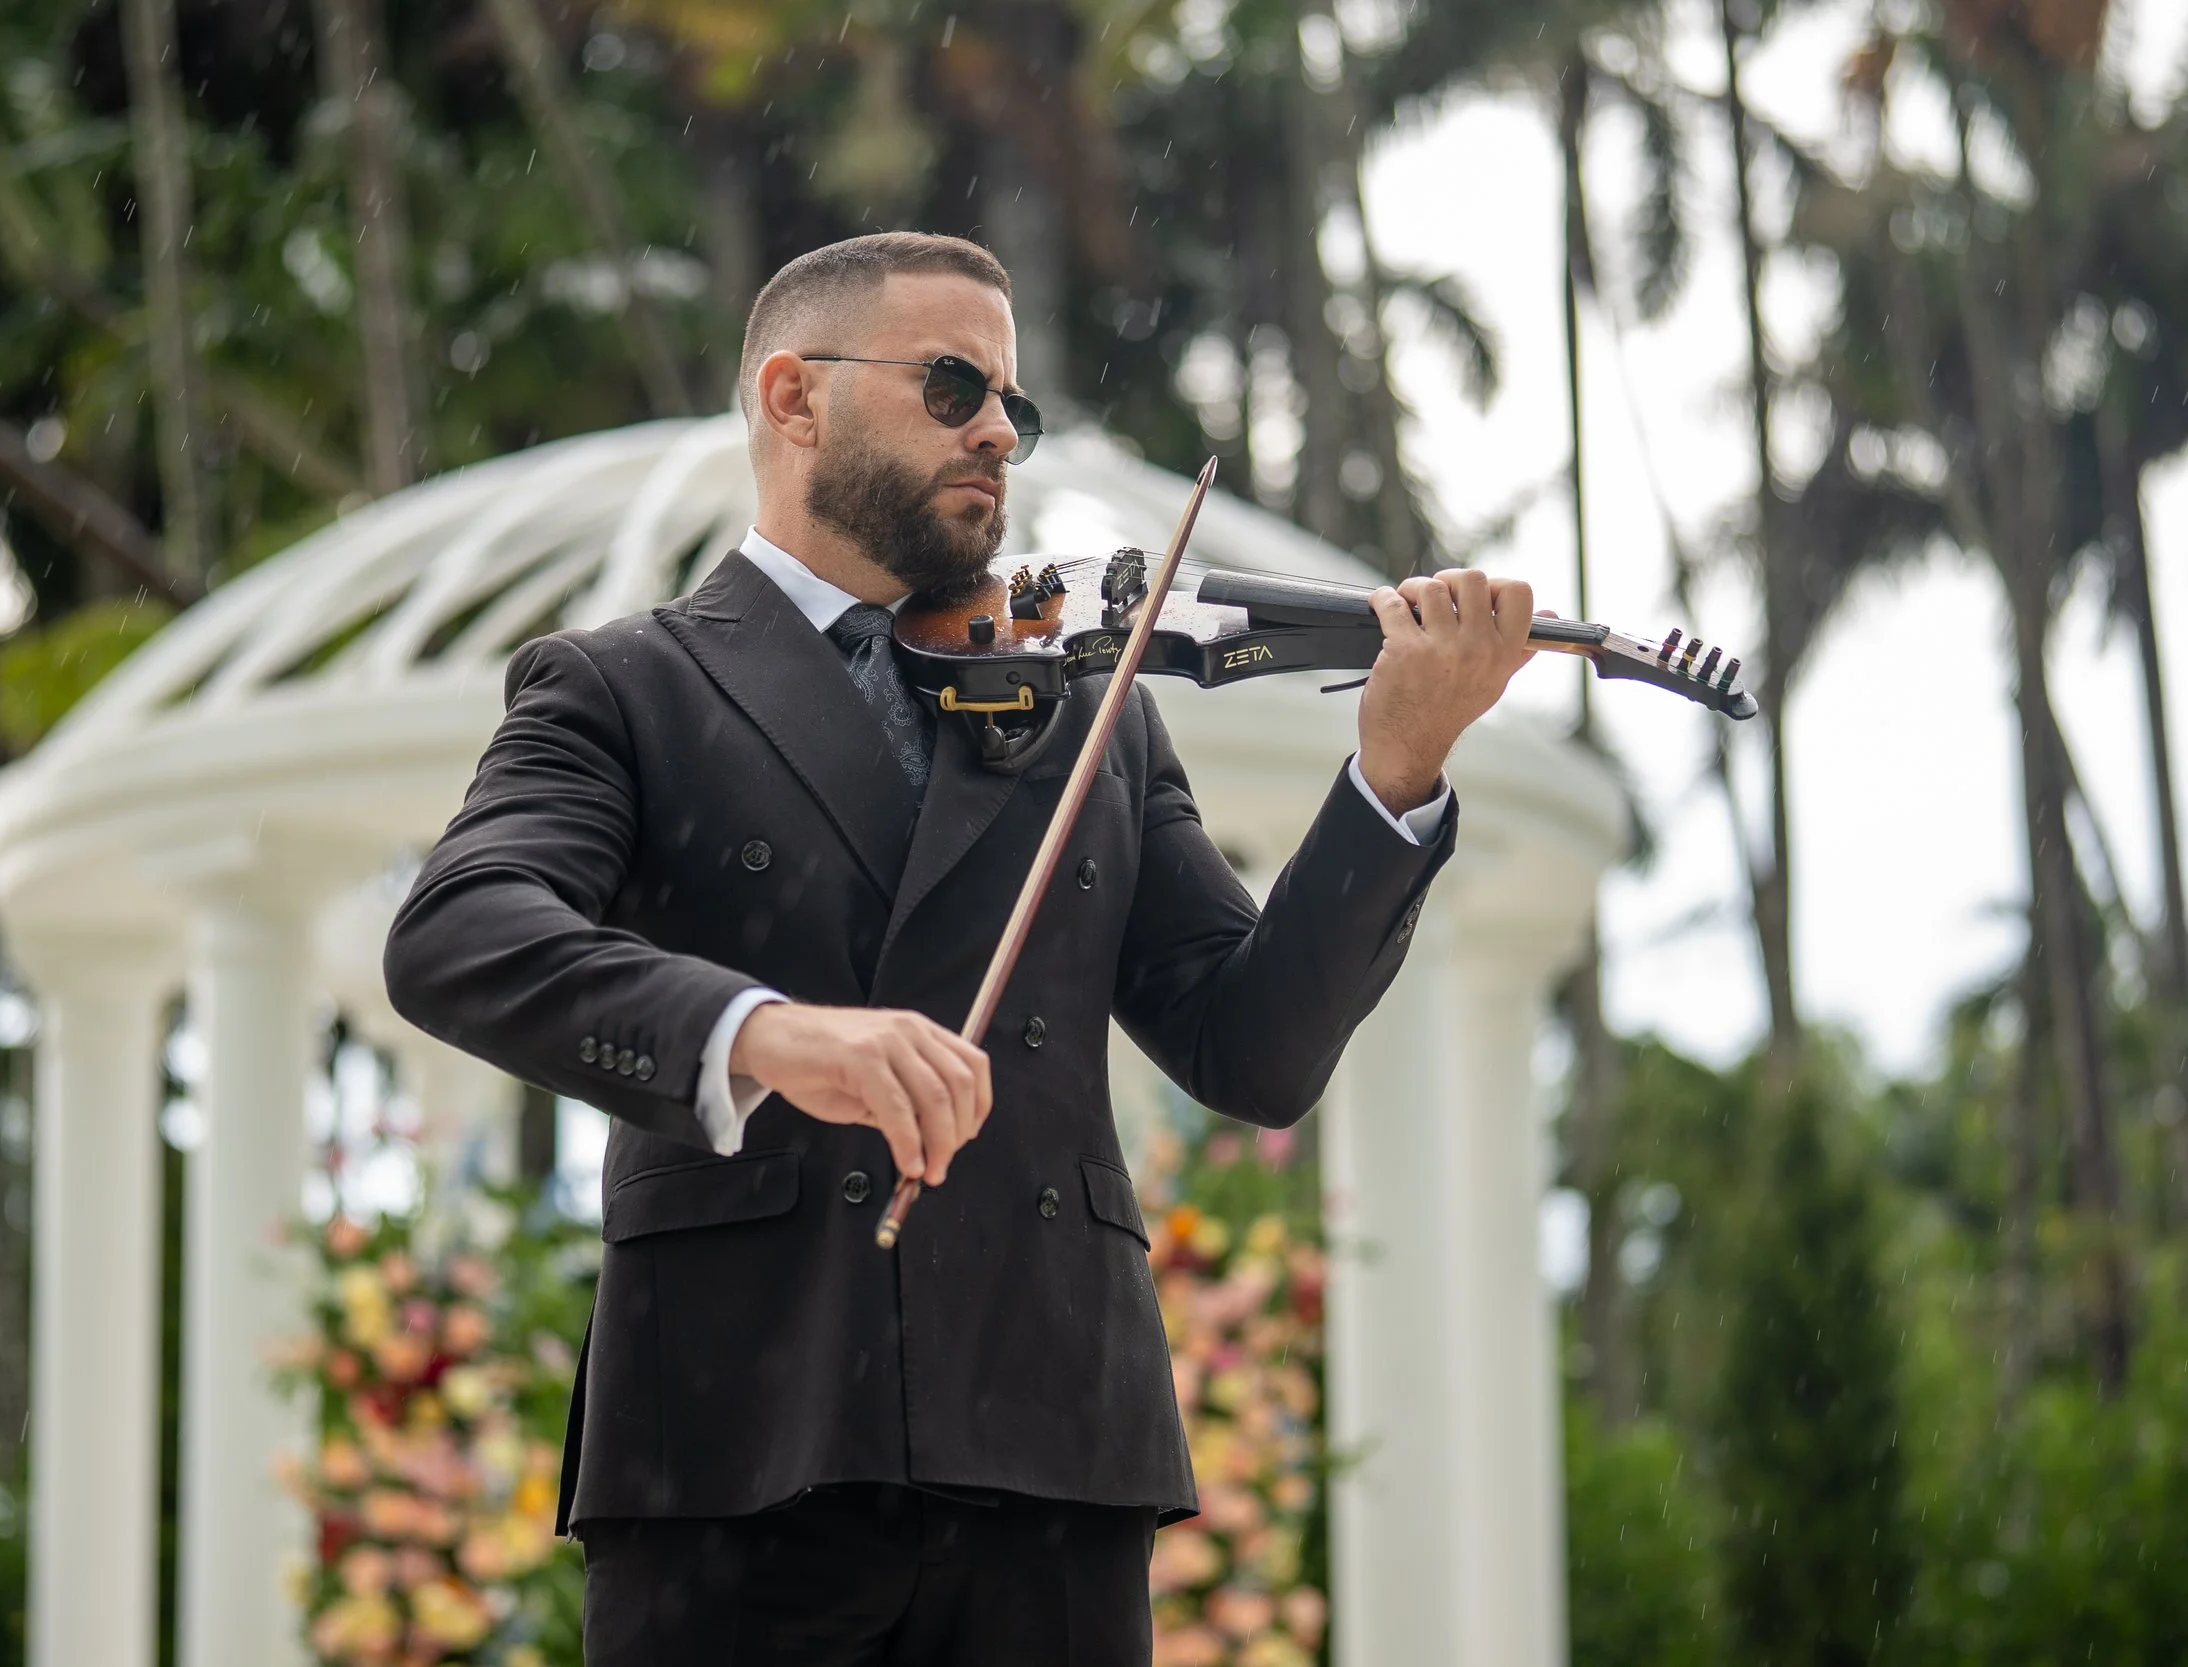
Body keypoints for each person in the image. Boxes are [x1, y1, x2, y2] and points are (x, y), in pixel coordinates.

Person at [383, 232, 1536, 1665]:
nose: (999, 429)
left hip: (1054, 1459)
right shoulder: (626, 684)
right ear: (795, 398)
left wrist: (1395, 775)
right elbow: (458, 931)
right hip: (739, 1453)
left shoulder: (1088, 704)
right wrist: (763, 1033)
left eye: (1012, 403)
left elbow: (1253, 1047)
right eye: (951, 386)